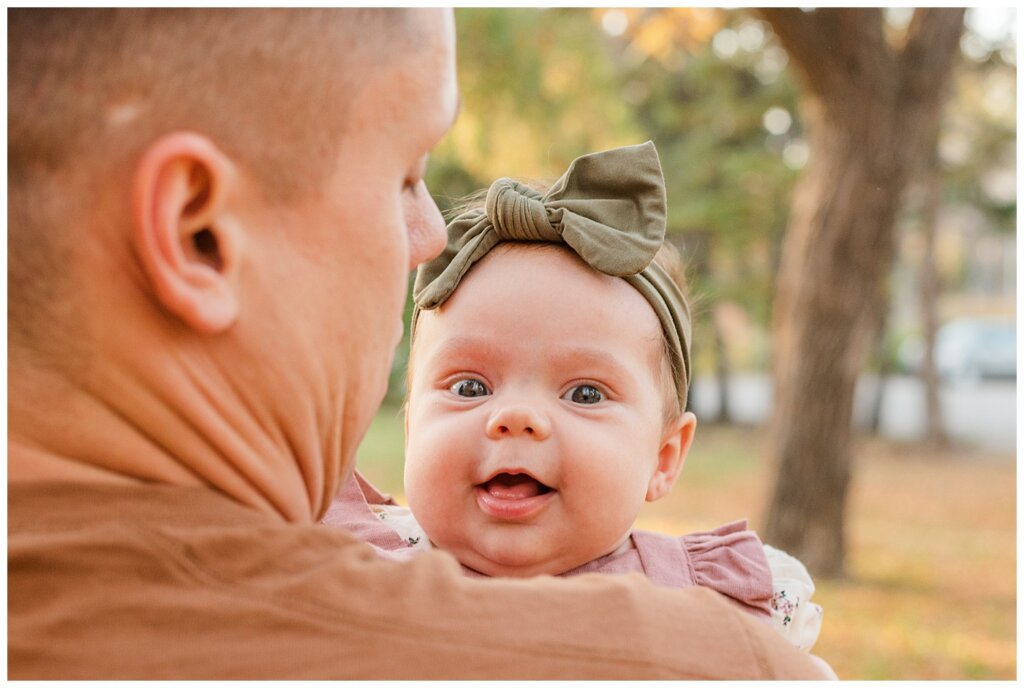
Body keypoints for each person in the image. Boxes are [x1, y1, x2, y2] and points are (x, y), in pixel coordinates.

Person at [8, 9, 825, 680]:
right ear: (200, 233)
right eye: (405, 175)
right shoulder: (709, 662)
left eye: (584, 392)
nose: (431, 233)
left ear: (667, 452)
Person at [324, 142, 833, 676]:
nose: (516, 417)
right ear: (411, 429)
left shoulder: (705, 609)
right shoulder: (352, 569)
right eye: (470, 387)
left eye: (584, 394)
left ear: (662, 457)